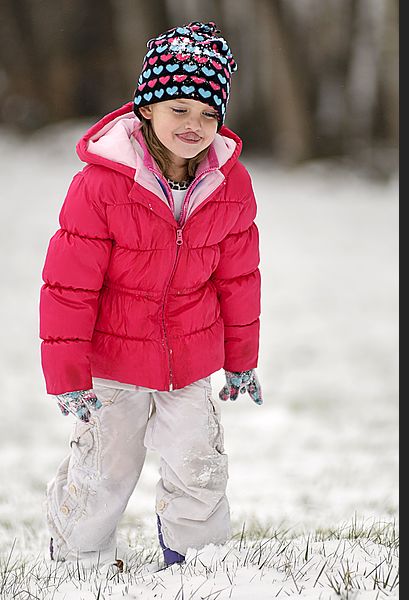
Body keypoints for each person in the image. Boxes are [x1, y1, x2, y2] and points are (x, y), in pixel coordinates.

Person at [39, 21, 262, 570]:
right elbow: (69, 284)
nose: (195, 125)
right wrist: (68, 374)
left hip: (190, 357)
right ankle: (79, 558)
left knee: (198, 459)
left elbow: (238, 279)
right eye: (180, 109)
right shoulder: (103, 183)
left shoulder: (229, 185)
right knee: (106, 464)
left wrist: (240, 361)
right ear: (146, 107)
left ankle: (197, 559)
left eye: (209, 113)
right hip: (112, 362)